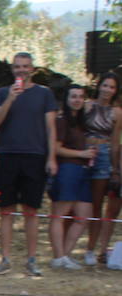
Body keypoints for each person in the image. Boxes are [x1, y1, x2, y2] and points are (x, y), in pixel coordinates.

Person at [0, 52, 57, 277]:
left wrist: (51, 157)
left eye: (25, 66)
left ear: (32, 69)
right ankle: (6, 259)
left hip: (34, 157)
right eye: (17, 66)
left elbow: (50, 129)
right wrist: (10, 98)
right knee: (6, 210)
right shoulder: (1, 93)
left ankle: (32, 260)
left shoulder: (44, 94)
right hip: (7, 156)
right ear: (12, 69)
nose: (21, 70)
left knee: (31, 210)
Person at [47, 84, 95, 269]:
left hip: (83, 171)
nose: (77, 100)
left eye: (80, 97)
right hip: (67, 169)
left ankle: (65, 256)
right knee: (59, 214)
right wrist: (82, 154)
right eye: (73, 96)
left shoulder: (81, 121)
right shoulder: (62, 120)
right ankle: (58, 257)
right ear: (67, 99)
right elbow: (57, 148)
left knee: (84, 215)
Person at [83, 72, 121, 266]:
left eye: (112, 87)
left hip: (104, 155)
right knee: (76, 203)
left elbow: (115, 143)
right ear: (99, 86)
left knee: (97, 205)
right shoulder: (87, 106)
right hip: (83, 153)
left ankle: (90, 249)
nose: (107, 90)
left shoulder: (116, 113)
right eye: (105, 85)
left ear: (115, 91)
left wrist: (115, 169)